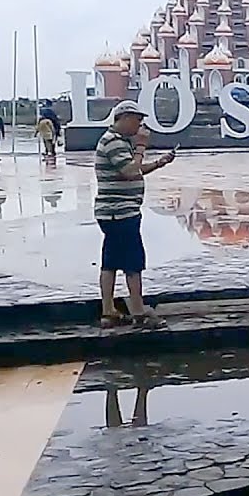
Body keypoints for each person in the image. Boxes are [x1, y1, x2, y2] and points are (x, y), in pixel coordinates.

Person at [95, 101, 175, 329]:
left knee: (110, 262)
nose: (140, 126)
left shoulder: (117, 142)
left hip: (112, 213)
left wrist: (159, 163)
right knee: (132, 262)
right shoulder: (113, 142)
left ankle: (108, 311)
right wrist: (141, 146)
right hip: (120, 212)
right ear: (124, 118)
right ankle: (138, 311)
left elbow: (133, 169)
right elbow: (131, 171)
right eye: (137, 121)